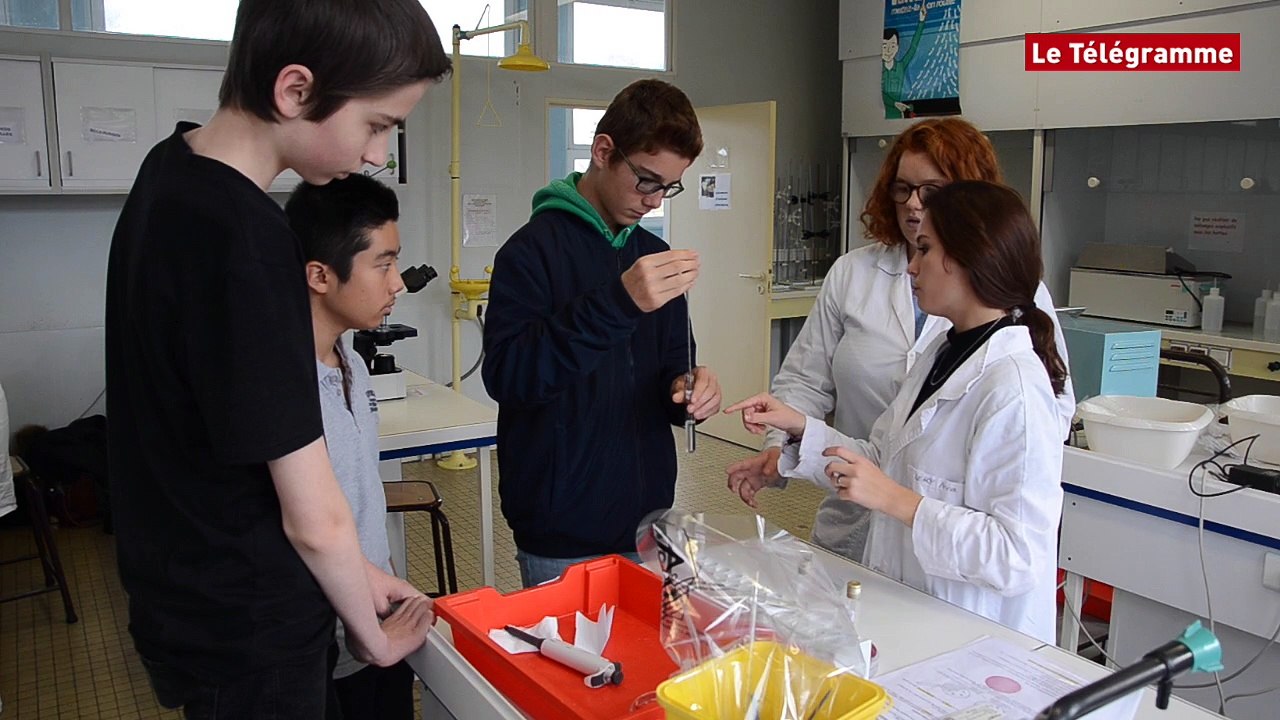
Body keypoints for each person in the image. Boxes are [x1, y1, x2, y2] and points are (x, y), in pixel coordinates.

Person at [104, 1, 448, 716]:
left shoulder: (169, 173)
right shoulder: (250, 237)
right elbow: (312, 514)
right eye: (377, 125)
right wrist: (371, 635)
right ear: (295, 91)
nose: (377, 154)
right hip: (252, 622)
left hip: (189, 596)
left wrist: (358, 569)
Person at [726, 181, 1067, 643]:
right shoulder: (943, 354)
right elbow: (881, 457)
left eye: (925, 249)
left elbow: (1016, 554)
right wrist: (801, 428)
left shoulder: (1014, 389)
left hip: (975, 633)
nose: (911, 266)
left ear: (968, 258)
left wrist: (894, 499)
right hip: (914, 607)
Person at [482, 79, 723, 588]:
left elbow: (673, 368)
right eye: (646, 181)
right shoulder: (529, 254)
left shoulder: (655, 255)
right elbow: (510, 378)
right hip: (561, 532)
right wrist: (619, 302)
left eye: (668, 187)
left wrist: (689, 391)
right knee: (570, 666)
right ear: (602, 151)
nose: (654, 201)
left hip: (648, 524)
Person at [286, 175, 419, 720]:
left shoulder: (351, 360)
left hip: (376, 608)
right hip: (322, 631)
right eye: (383, 265)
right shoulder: (281, 387)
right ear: (320, 275)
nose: (397, 285)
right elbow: (307, 528)